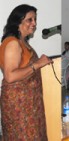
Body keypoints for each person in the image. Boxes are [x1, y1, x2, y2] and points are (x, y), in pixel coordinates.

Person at [0, 4, 52, 140]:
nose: (34, 23)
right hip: (19, 105)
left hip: (31, 103)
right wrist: (38, 64)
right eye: (30, 19)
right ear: (18, 21)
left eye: (35, 19)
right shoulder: (12, 43)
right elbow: (10, 76)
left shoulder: (23, 42)